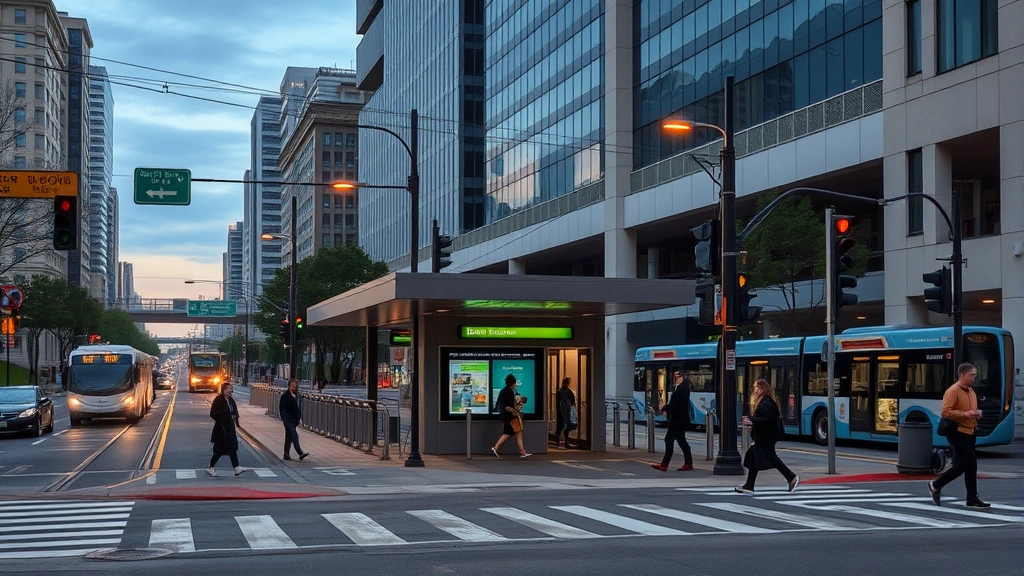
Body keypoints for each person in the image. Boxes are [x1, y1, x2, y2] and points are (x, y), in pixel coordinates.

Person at [928, 363, 990, 508]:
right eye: (971, 375)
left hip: (970, 431)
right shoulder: (953, 391)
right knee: (968, 463)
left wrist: (977, 414)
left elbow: (971, 409)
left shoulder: (971, 391)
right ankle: (936, 484)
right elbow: (946, 412)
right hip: (958, 432)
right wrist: (964, 414)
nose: (974, 378)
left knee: (968, 465)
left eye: (975, 375)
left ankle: (972, 498)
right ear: (962, 375)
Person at [735, 378, 798, 493]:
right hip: (765, 435)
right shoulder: (766, 401)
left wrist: (751, 419)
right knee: (755, 456)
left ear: (760, 389)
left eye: (755, 387)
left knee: (770, 457)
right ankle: (749, 485)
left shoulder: (766, 402)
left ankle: (791, 477)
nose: (754, 390)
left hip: (766, 436)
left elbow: (767, 419)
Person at [652, 370, 693, 472]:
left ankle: (664, 464)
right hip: (679, 418)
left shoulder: (682, 389)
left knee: (669, 440)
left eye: (676, 377)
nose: (674, 379)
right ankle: (688, 463)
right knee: (681, 441)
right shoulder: (681, 387)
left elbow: (677, 405)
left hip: (677, 419)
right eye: (674, 377)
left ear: (682, 377)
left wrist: (664, 408)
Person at [208, 383, 247, 477]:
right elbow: (213, 413)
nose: (231, 390)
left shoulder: (231, 400)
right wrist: (224, 415)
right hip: (221, 428)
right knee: (219, 450)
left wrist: (234, 416)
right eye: (229, 388)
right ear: (224, 390)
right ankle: (210, 467)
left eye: (231, 388)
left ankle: (236, 467)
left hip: (230, 427)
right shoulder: (219, 400)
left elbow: (234, 411)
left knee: (233, 448)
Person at [490, 373, 532, 459]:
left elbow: (499, 404)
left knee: (513, 433)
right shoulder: (510, 391)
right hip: (511, 416)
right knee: (512, 433)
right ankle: (496, 448)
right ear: (513, 382)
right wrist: (516, 412)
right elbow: (509, 406)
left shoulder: (503, 391)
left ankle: (522, 451)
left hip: (505, 415)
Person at [279, 379, 309, 461]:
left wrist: (300, 418)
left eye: (295, 385)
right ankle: (300, 453)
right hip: (288, 419)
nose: (294, 386)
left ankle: (286, 454)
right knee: (294, 435)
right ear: (289, 385)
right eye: (292, 385)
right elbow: (281, 407)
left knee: (289, 437)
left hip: (294, 419)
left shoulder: (297, 395)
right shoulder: (285, 396)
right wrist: (283, 418)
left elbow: (298, 408)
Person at [555, 377, 577, 449]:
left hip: (561, 411)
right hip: (566, 411)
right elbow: (572, 401)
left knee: (561, 426)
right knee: (565, 426)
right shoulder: (568, 391)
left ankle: (558, 441)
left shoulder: (560, 391)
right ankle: (565, 441)